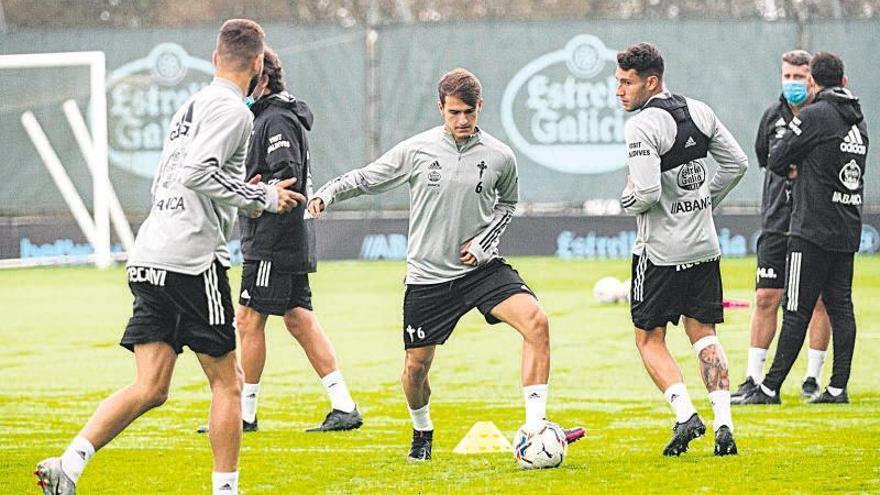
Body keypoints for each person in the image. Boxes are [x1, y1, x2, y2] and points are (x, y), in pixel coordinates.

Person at [34, 19, 304, 495]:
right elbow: (200, 173)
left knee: (151, 387)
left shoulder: (192, 104)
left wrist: (244, 190)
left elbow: (181, 176)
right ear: (258, 64)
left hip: (151, 253)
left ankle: (68, 464)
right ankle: (226, 492)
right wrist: (259, 198)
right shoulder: (236, 112)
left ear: (215, 58)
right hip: (190, 260)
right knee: (228, 383)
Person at [307, 68, 584, 462]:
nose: (463, 121)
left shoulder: (500, 156)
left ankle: (535, 428)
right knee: (415, 370)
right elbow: (369, 178)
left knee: (537, 323)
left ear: (480, 107)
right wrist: (328, 193)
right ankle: (422, 430)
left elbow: (507, 204)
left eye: (469, 112)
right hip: (429, 278)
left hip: (481, 271)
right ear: (440, 108)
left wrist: (484, 243)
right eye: (454, 112)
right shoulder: (416, 150)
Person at [616, 43, 748, 457]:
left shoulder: (642, 127)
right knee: (703, 335)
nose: (619, 91)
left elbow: (648, 191)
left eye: (626, 83)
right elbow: (737, 164)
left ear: (650, 81)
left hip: (659, 253)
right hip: (704, 247)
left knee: (648, 338)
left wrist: (625, 201)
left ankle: (685, 414)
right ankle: (724, 425)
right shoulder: (700, 110)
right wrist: (704, 199)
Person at [233, 46, 362, 432]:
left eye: (245, 75)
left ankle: (244, 415)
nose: (239, 83)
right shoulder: (271, 116)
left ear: (263, 78)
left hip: (274, 238)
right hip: (287, 236)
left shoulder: (275, 120)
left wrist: (252, 192)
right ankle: (344, 406)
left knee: (248, 320)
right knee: (299, 319)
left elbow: (286, 174)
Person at [739, 52, 867, 406]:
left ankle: (769, 388)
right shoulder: (858, 120)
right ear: (843, 81)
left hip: (809, 227)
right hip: (846, 224)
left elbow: (777, 158)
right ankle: (837, 387)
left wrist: (799, 166)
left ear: (814, 82)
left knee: (795, 308)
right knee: (841, 306)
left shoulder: (814, 116)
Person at [731, 50, 832, 403]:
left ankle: (811, 377)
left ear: (812, 80)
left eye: (799, 77)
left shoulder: (824, 117)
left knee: (818, 301)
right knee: (765, 298)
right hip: (776, 221)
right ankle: (753, 378)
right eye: (787, 76)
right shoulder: (772, 117)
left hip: (814, 223)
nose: (792, 83)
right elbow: (768, 160)